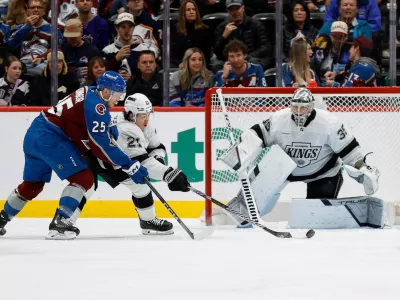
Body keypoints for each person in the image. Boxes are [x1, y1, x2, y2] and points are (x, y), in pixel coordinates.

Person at [0, 71, 149, 239]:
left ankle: (1, 219)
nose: (118, 100)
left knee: (32, 185)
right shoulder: (98, 107)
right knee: (84, 179)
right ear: (106, 91)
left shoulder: (89, 91)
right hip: (51, 138)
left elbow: (81, 124)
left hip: (35, 133)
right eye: (118, 95)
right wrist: (129, 165)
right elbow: (101, 146)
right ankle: (60, 223)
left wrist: (106, 128)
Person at [217, 88, 380, 227]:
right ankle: (239, 211)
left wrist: (362, 168)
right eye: (295, 107)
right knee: (257, 191)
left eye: (303, 108)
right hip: (285, 169)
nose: (299, 112)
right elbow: (257, 134)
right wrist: (240, 152)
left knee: (314, 217)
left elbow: (350, 151)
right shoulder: (279, 120)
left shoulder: (330, 123)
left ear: (311, 107)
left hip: (322, 173)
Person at [84, 93, 191, 234]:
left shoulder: (144, 126)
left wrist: (159, 161)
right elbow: (142, 162)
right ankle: (64, 219)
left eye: (148, 115)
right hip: (103, 161)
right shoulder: (125, 129)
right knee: (85, 187)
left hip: (122, 161)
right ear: (130, 115)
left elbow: (157, 148)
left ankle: (148, 222)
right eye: (142, 116)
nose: (146, 120)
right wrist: (167, 174)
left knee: (141, 188)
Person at [170, 0, 213, 69]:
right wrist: (180, 63)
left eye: (194, 9)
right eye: (188, 10)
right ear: (183, 13)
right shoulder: (175, 30)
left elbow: (206, 54)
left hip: (200, 64)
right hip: (181, 65)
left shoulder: (205, 29)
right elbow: (173, 53)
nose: (192, 12)